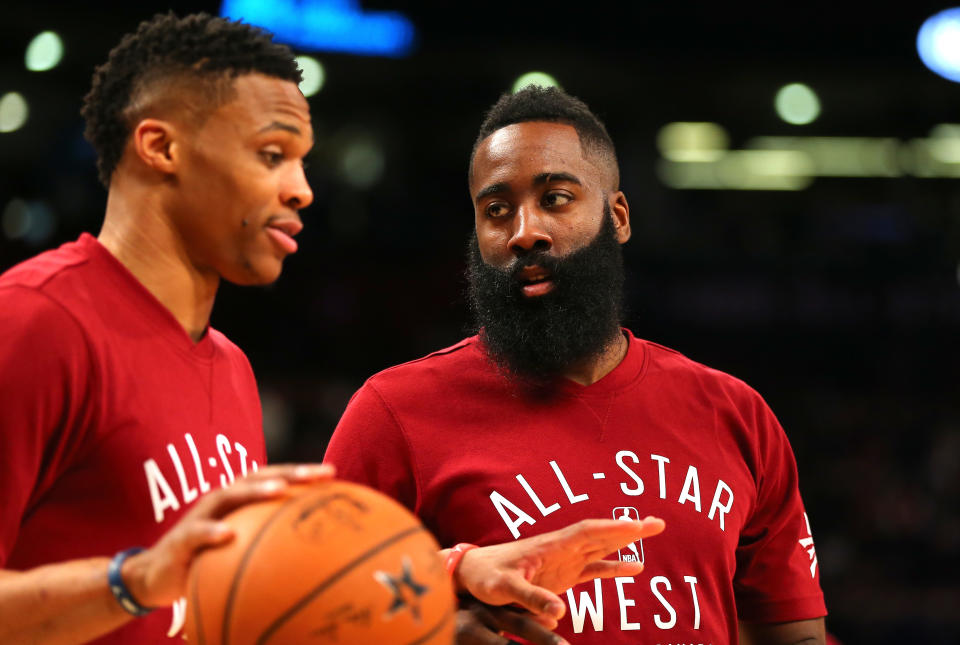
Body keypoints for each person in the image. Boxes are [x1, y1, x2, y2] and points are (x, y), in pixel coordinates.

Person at [0, 14, 666, 645]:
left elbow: (256, 594)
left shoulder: (229, 365)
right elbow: (157, 580)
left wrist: (454, 571)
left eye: (303, 160)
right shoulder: (34, 320)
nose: (302, 190)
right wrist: (136, 579)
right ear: (161, 146)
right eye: (271, 154)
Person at [324, 86, 828, 644]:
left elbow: (796, 635)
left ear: (617, 217)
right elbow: (306, 609)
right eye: (496, 211)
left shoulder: (737, 414)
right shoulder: (393, 414)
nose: (524, 232)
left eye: (556, 198)